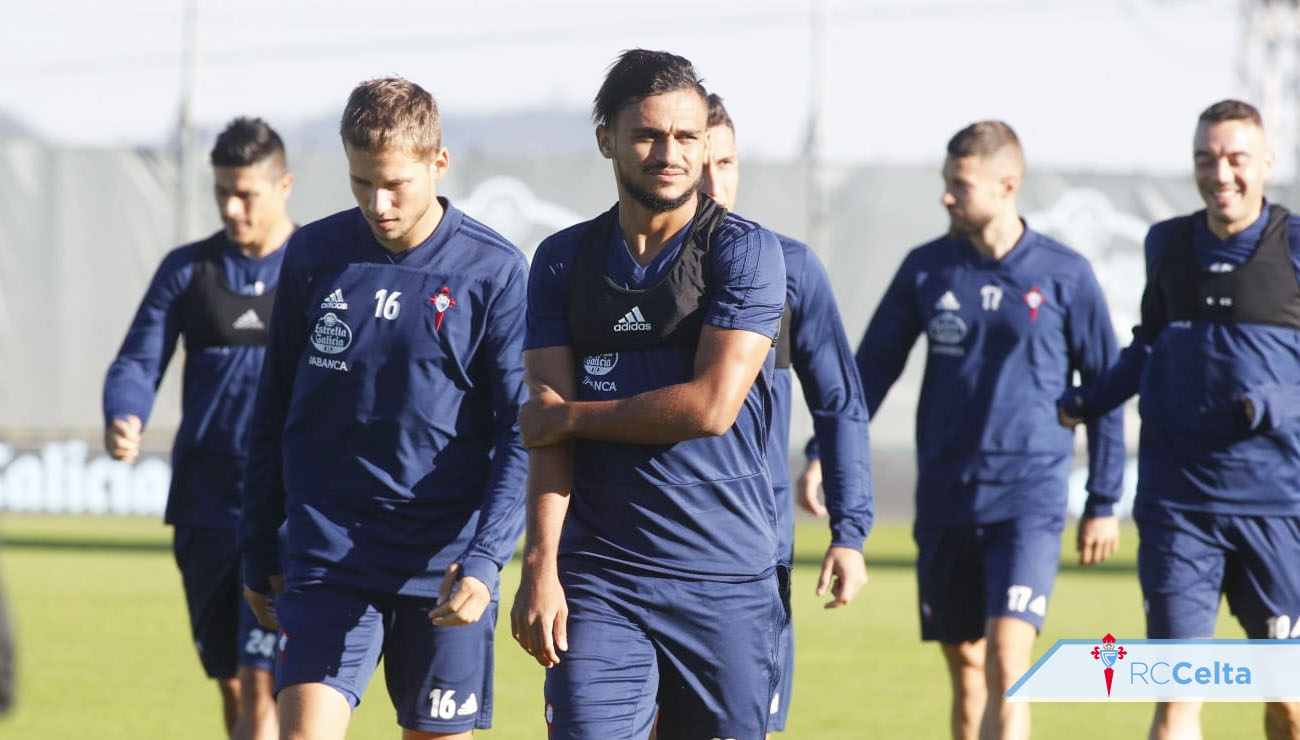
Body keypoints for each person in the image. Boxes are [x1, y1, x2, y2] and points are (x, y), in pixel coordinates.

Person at [237, 77, 528, 740]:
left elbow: (520, 433)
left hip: (444, 567)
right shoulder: (314, 254)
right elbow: (274, 403)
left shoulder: (496, 272)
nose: (378, 202)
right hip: (327, 554)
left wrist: (485, 559)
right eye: (360, 183)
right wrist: (257, 545)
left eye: (394, 182)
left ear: (439, 163)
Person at [509, 49, 788, 740]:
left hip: (725, 579)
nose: (670, 152)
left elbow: (710, 407)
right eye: (648, 134)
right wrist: (540, 566)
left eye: (687, 137)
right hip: (602, 581)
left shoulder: (745, 252)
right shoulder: (562, 260)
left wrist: (573, 415)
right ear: (608, 138)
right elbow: (546, 439)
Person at [843, 120, 1125, 740]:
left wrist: (1103, 500)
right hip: (946, 497)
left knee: (1007, 659)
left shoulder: (1065, 274)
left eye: (960, 185)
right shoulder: (927, 269)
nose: (947, 196)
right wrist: (823, 452)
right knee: (967, 668)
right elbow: (869, 374)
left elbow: (1106, 389)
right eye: (946, 182)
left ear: (1007, 185)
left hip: (1028, 497)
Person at [1059, 100, 1300, 740]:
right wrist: (1087, 400)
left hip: (1278, 507)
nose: (1220, 174)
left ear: (1266, 164)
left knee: (1288, 703)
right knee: (1175, 701)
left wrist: (1273, 403)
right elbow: (1148, 345)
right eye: (1205, 158)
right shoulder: (1166, 243)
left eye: (1235, 158)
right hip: (1178, 507)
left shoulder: (1296, 244)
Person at [103, 116, 293, 739]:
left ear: (282, 186)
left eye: (246, 194)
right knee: (234, 684)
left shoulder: (318, 268)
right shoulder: (188, 271)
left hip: (287, 509)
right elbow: (137, 359)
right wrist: (124, 412)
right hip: (204, 508)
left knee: (263, 684)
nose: (232, 208)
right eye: (221, 194)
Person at [699, 92, 873, 736]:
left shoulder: (787, 267)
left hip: (756, 553)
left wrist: (850, 533)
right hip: (646, 553)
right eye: (703, 162)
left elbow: (840, 402)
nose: (716, 181)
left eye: (729, 162)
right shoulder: (624, 272)